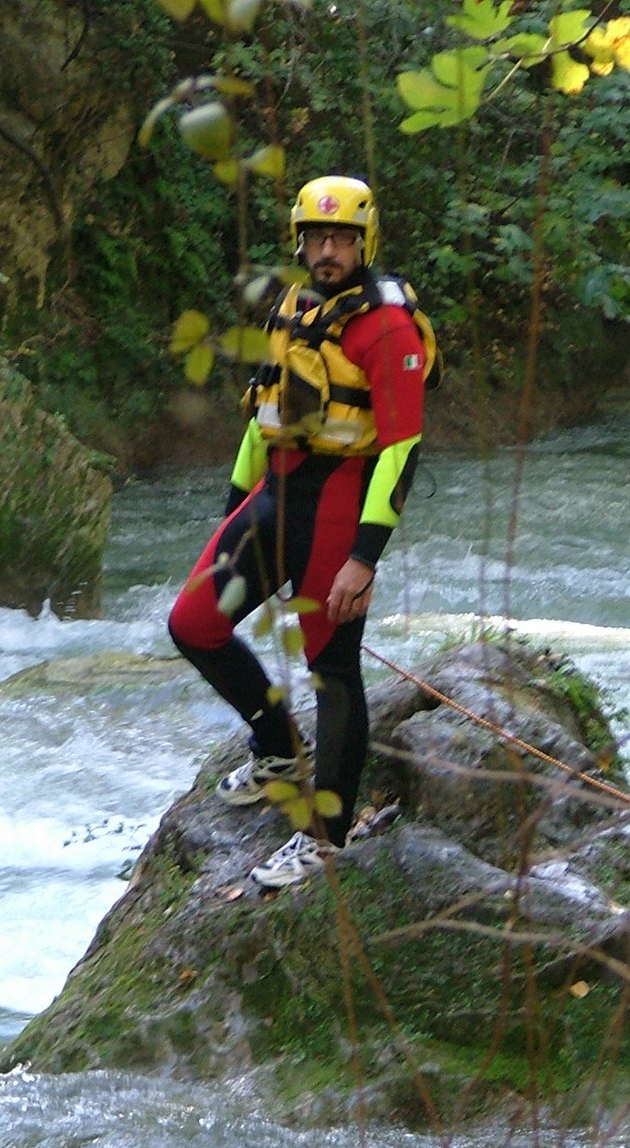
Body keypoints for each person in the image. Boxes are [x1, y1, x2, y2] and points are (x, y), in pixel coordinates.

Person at [167, 175, 440, 889]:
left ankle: (328, 835)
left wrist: (364, 557)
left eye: (340, 240)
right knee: (194, 623)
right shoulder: (292, 303)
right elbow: (263, 409)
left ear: (363, 242)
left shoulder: (389, 328)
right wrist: (234, 503)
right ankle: (279, 750)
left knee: (332, 669)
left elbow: (401, 448)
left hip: (340, 504)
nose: (326, 251)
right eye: (316, 239)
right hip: (275, 494)